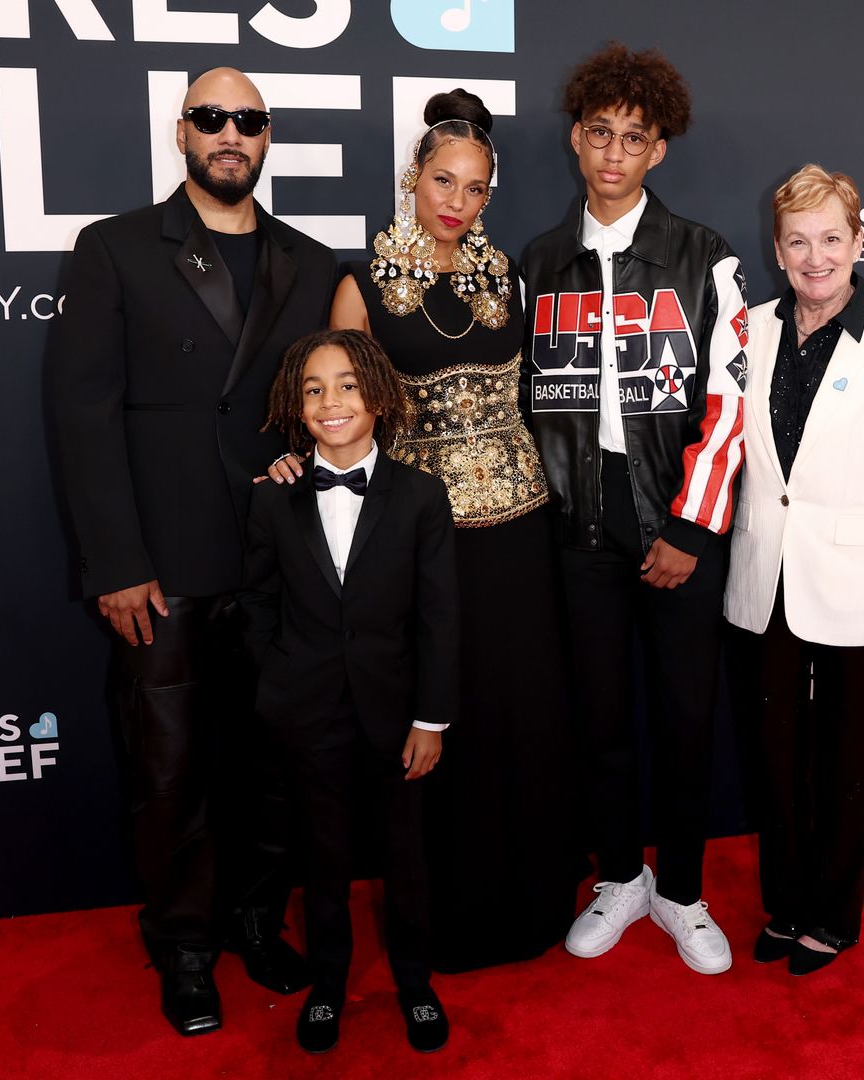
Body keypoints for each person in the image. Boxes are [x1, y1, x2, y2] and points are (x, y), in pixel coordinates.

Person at [270, 89, 584, 973]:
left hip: (522, 532)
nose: (458, 200)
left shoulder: (506, 276)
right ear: (413, 178)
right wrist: (300, 462)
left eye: (476, 188)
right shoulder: (360, 281)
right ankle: (444, 921)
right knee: (447, 717)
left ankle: (533, 905)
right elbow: (334, 407)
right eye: (442, 179)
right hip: (425, 538)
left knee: (525, 715)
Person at [50, 67, 336, 1035]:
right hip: (161, 571)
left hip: (273, 569)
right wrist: (116, 562)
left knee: (267, 762)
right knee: (168, 769)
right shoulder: (116, 249)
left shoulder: (309, 259)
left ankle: (256, 916)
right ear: (183, 133)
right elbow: (81, 416)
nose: (231, 134)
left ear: (267, 138)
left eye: (248, 121)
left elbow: (335, 407)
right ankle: (182, 945)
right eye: (212, 118)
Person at [519, 43, 748, 974]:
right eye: (601, 134)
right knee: (600, 714)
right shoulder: (539, 260)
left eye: (635, 139)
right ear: (577, 140)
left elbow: (730, 402)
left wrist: (690, 528)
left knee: (686, 717)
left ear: (659, 151)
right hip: (578, 522)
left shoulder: (706, 255)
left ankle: (683, 891)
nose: (615, 154)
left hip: (679, 515)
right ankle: (620, 877)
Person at [724, 164, 864, 975]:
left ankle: (833, 915)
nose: (815, 257)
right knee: (775, 760)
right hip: (763, 580)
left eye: (831, 238)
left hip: (861, 585)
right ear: (777, 249)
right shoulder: (744, 330)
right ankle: (786, 905)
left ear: (858, 242)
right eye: (797, 241)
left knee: (848, 759)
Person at [240, 329, 459, 1053]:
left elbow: (438, 616)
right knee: (323, 859)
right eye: (312, 388)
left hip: (397, 713)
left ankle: (415, 982)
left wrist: (431, 718)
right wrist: (278, 690)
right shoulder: (274, 498)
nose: (330, 401)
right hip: (307, 715)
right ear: (294, 406)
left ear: (379, 396)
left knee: (407, 856)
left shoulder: (422, 497)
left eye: (345, 385)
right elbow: (259, 605)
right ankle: (328, 984)